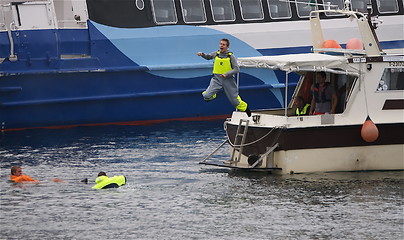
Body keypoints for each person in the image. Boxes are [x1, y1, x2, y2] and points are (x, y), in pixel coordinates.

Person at [197, 38, 251, 117]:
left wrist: (226, 74)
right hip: (217, 79)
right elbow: (208, 57)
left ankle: (246, 109)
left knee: (234, 101)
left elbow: (237, 69)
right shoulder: (216, 54)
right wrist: (202, 54)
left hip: (228, 80)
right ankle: (213, 94)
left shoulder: (231, 56)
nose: (221, 46)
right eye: (220, 44)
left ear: (227, 47)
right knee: (206, 96)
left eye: (223, 44)